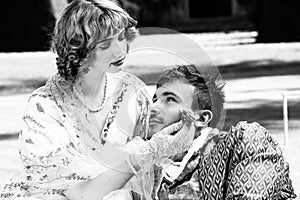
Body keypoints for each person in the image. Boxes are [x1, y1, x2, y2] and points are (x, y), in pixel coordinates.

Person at [0, 1, 195, 200]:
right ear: (78, 51)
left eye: (122, 38)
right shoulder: (45, 108)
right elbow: (80, 195)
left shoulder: (132, 91)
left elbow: (150, 174)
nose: (120, 51)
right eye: (105, 45)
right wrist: (144, 154)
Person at [137, 64, 296, 199]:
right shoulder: (139, 163)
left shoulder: (243, 141)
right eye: (154, 99)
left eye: (170, 99)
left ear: (201, 118)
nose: (153, 108)